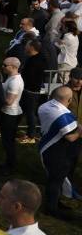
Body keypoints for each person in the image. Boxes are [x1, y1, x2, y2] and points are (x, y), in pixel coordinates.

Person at [38, 84, 78, 219]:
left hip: (48, 148)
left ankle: (55, 202)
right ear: (69, 100)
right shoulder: (62, 114)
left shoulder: (45, 106)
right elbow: (70, 137)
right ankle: (51, 208)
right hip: (56, 151)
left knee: (55, 179)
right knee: (55, 180)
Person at [0, 56, 25, 172]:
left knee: (8, 141)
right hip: (9, 113)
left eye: (5, 65)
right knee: (7, 140)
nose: (2, 67)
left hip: (10, 114)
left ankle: (10, 166)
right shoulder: (11, 77)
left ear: (14, 67)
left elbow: (9, 102)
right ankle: (9, 163)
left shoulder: (15, 82)